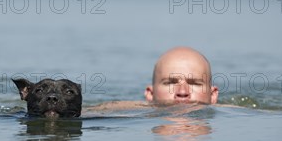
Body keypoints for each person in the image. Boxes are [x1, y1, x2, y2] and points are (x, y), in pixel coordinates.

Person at [87, 46, 218, 112]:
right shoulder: (129, 110)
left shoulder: (233, 113)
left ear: (213, 95)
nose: (182, 92)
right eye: (170, 83)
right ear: (150, 94)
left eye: (194, 83)